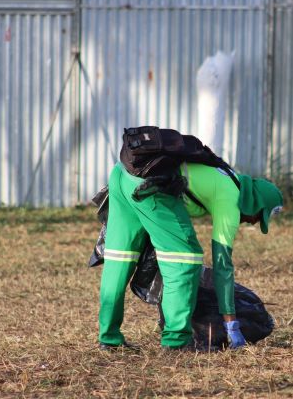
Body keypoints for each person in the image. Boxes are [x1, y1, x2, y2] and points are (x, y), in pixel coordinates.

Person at [98, 149, 283, 351]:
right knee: (185, 257)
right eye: (257, 217)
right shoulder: (232, 198)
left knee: (120, 258)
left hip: (122, 173)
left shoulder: (225, 175)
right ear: (255, 203)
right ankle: (177, 342)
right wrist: (231, 323)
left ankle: (109, 338)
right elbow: (222, 266)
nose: (251, 222)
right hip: (150, 184)